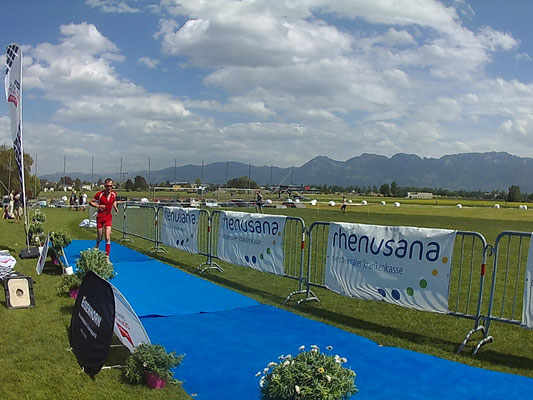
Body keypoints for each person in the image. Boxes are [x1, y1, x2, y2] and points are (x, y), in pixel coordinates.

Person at [89, 178, 118, 263]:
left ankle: (107, 257)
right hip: (100, 217)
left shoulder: (114, 194)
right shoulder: (100, 194)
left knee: (108, 237)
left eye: (111, 186)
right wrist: (98, 206)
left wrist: (115, 207)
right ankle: (97, 246)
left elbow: (114, 201)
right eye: (107, 186)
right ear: (105, 186)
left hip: (108, 217)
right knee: (100, 237)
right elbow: (90, 202)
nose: (109, 188)